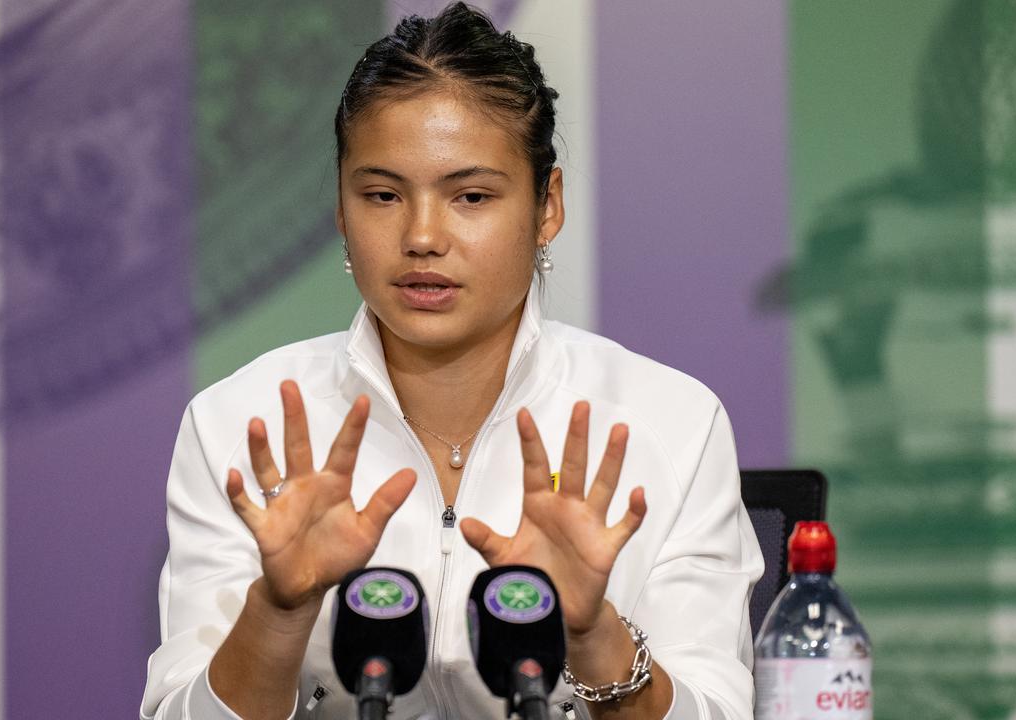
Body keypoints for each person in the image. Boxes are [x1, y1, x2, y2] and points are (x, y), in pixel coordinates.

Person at [140, 4, 762, 719]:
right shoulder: (239, 426)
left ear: (546, 206)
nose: (422, 236)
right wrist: (280, 612)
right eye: (381, 195)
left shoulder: (672, 424)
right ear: (341, 210)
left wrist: (591, 631)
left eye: (470, 196)